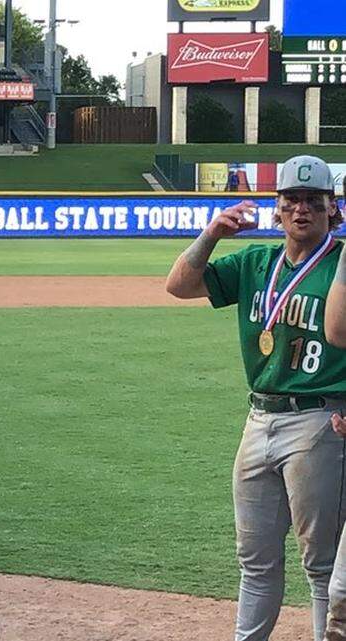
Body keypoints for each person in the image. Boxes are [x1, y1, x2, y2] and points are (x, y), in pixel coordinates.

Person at [166, 155, 346, 641]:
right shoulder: (255, 263)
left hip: (320, 420)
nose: (302, 210)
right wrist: (211, 235)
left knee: (320, 561)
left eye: (314, 201)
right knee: (255, 559)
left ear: (333, 209)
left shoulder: (342, 265)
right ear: (277, 209)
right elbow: (179, 285)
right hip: (258, 418)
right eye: (291, 201)